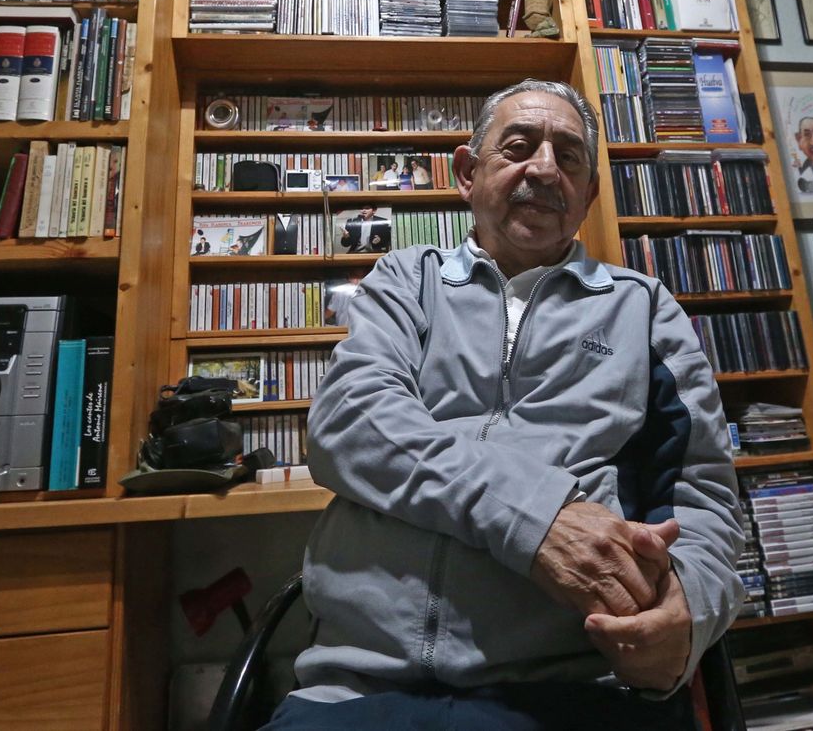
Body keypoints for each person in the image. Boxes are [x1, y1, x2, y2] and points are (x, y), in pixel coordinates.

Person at [268, 79, 744, 730]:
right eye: (519, 147)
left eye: (569, 157)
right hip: (359, 688)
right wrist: (536, 516)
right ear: (468, 173)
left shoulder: (644, 307)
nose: (544, 168)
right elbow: (351, 423)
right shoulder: (408, 279)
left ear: (589, 195)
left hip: (575, 686)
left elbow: (703, 492)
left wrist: (687, 612)